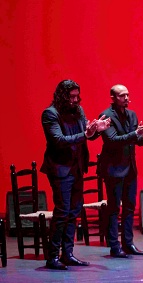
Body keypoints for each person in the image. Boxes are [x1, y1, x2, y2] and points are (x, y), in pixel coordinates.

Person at [41, 79, 111, 270]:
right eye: (71, 97)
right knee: (62, 212)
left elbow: (86, 134)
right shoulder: (50, 114)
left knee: (73, 212)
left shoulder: (78, 111)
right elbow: (58, 140)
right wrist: (86, 135)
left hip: (77, 166)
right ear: (62, 96)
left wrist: (97, 130)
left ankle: (68, 254)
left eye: (76, 96)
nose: (75, 100)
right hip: (60, 168)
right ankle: (52, 256)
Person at [99, 84, 143, 258]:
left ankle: (128, 243)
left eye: (127, 95)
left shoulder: (132, 115)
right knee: (114, 208)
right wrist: (134, 134)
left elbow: (133, 139)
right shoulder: (106, 116)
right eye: (122, 95)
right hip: (114, 169)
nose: (126, 98)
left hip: (130, 168)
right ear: (113, 98)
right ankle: (114, 246)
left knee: (130, 207)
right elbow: (113, 140)